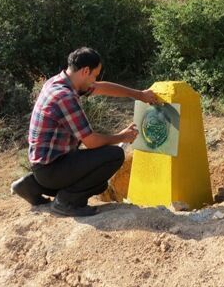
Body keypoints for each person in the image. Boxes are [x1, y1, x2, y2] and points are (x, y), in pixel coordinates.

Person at [11, 47, 159, 217]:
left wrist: (139, 94)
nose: (94, 81)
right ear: (85, 71)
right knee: (114, 156)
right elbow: (92, 141)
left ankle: (31, 185)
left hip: (43, 167)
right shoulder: (65, 96)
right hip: (52, 168)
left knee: (98, 183)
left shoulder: (57, 82)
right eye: (95, 75)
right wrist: (122, 136)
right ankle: (66, 202)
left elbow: (101, 88)